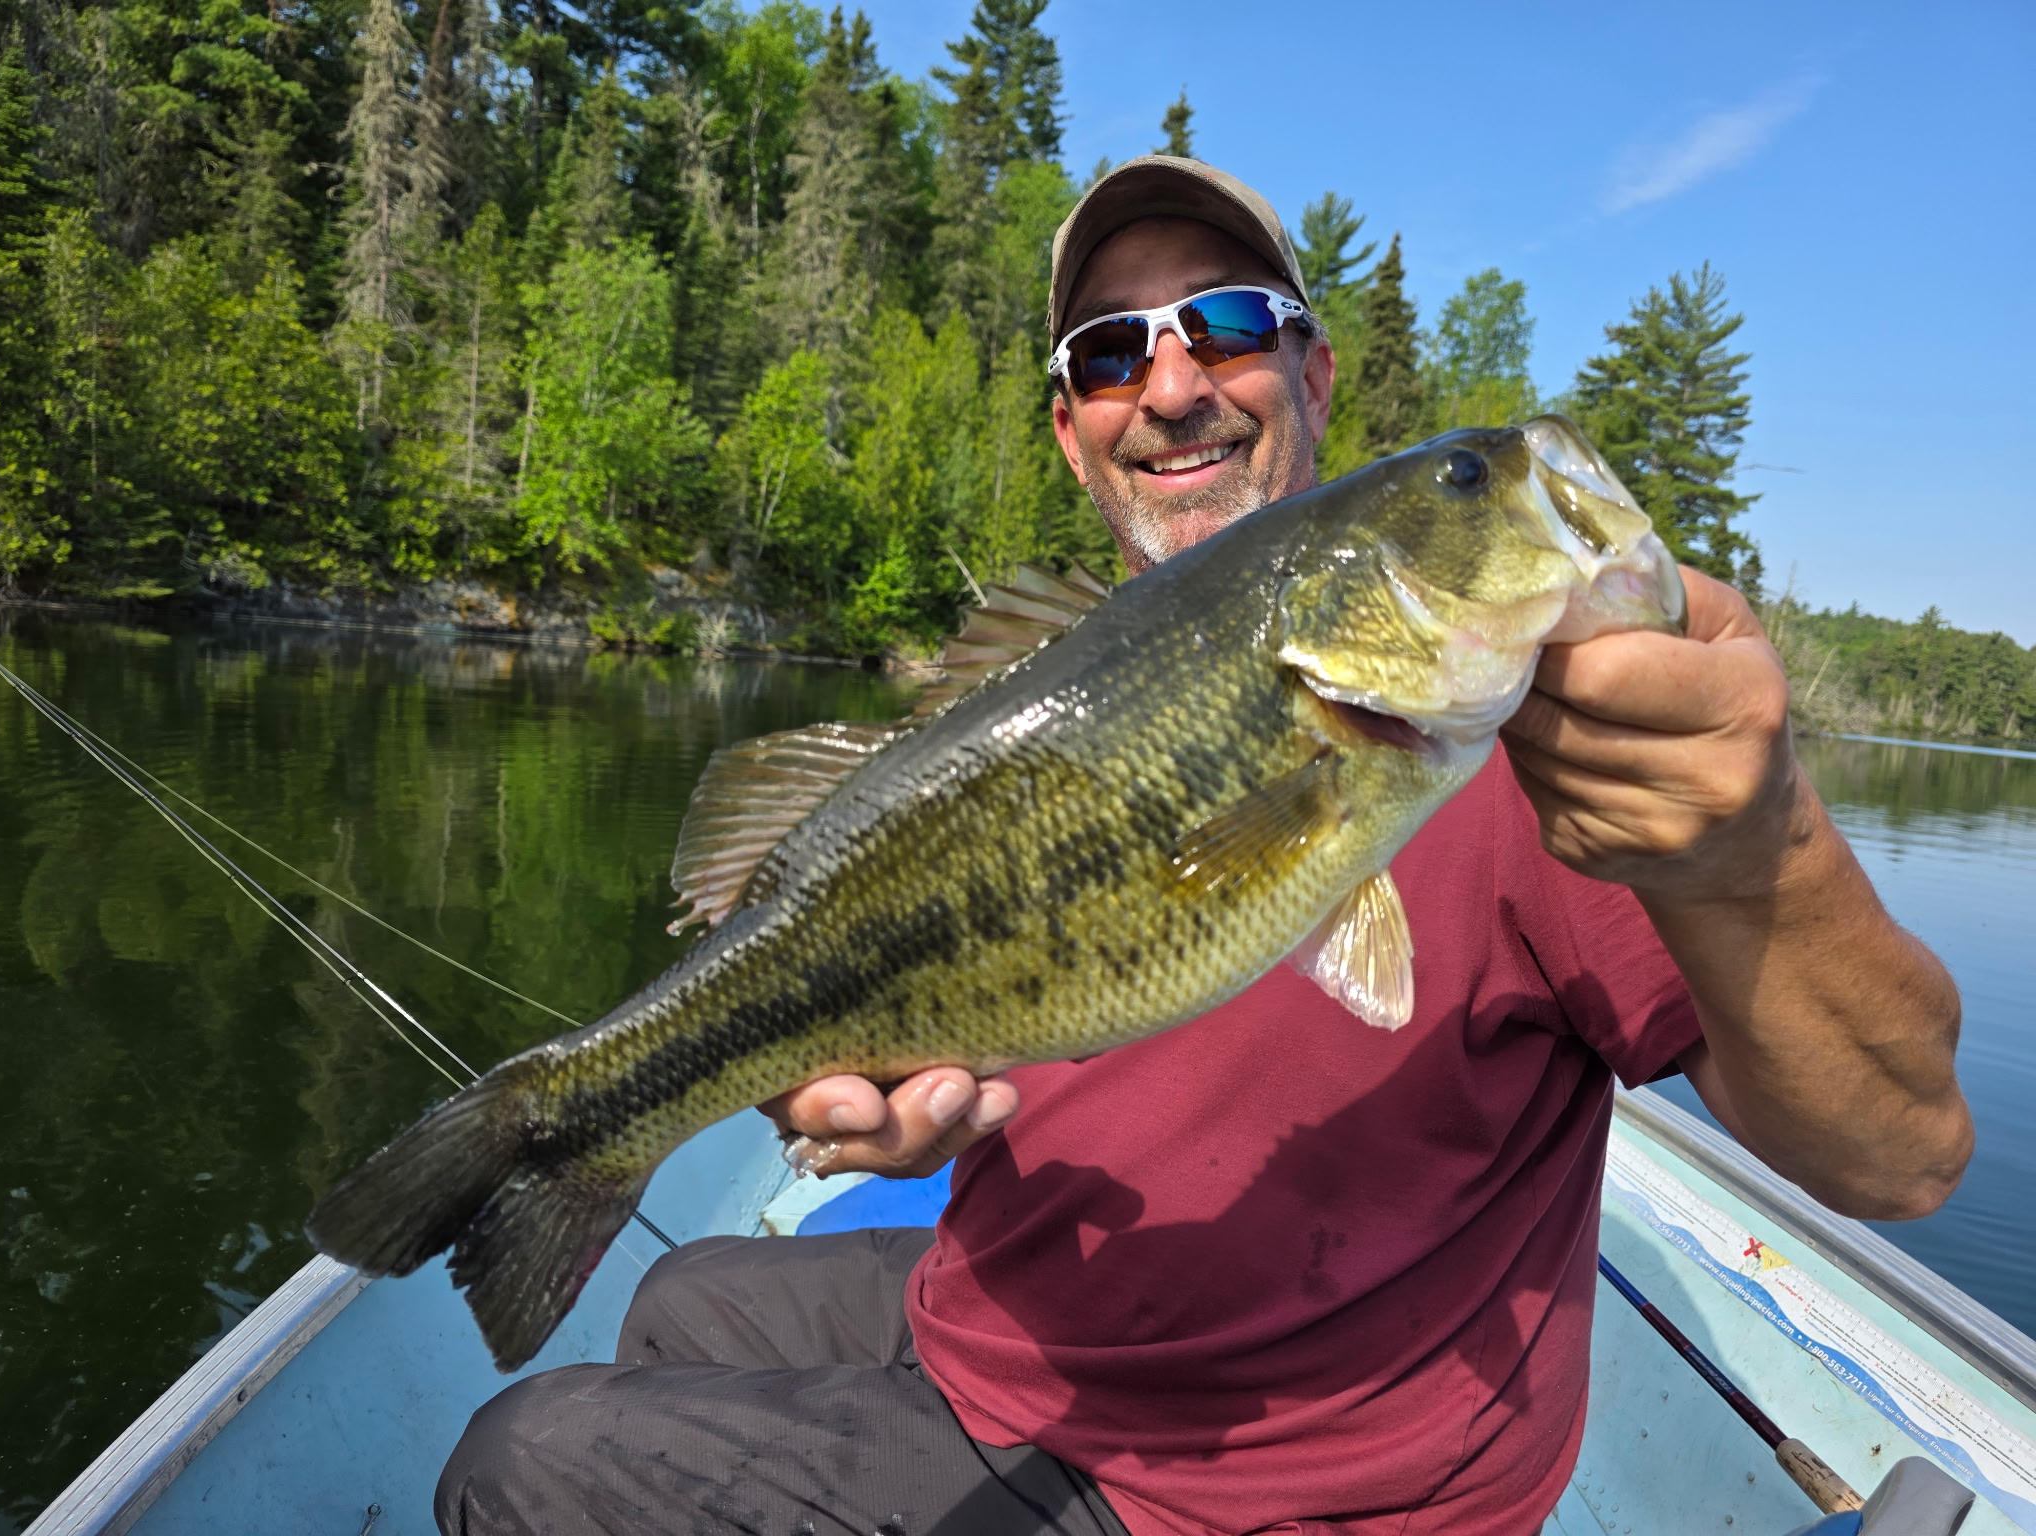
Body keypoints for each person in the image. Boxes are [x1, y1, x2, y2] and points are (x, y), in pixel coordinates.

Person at [435, 157, 1971, 1536]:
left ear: (1309, 370)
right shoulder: (1042, 688)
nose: (1171, 388)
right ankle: (581, 1126)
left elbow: (1902, 1157)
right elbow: (928, 958)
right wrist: (854, 1072)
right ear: (1071, 428)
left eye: (1226, 327)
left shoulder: (1567, 761)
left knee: (529, 1463)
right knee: (683, 1296)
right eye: (1112, 354)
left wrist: (1752, 853)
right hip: (1030, 1331)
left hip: (1225, 1493)